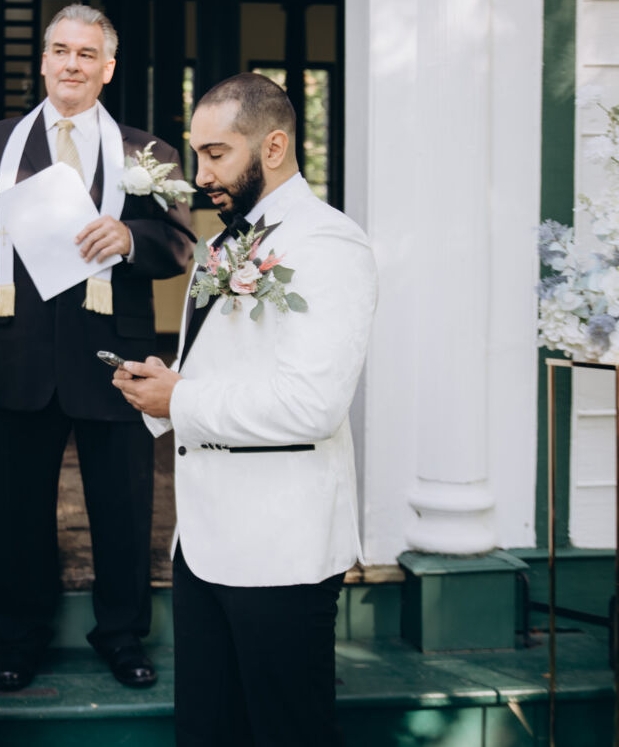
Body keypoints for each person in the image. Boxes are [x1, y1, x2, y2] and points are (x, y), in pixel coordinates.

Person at [112, 73, 378, 745]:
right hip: (205, 541)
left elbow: (313, 404)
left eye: (217, 154)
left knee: (287, 732)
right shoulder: (229, 242)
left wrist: (182, 398)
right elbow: (230, 366)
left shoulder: (328, 243)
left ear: (275, 146)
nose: (201, 174)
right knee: (208, 730)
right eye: (197, 154)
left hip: (280, 546)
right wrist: (167, 387)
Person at [0, 4, 194, 691]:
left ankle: (122, 634)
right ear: (44, 60)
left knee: (124, 506)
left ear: (107, 68)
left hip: (115, 357)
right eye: (60, 50)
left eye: (86, 54)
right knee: (19, 509)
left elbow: (180, 245)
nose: (71, 64)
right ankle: (18, 638)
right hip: (15, 354)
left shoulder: (148, 153)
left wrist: (132, 238)